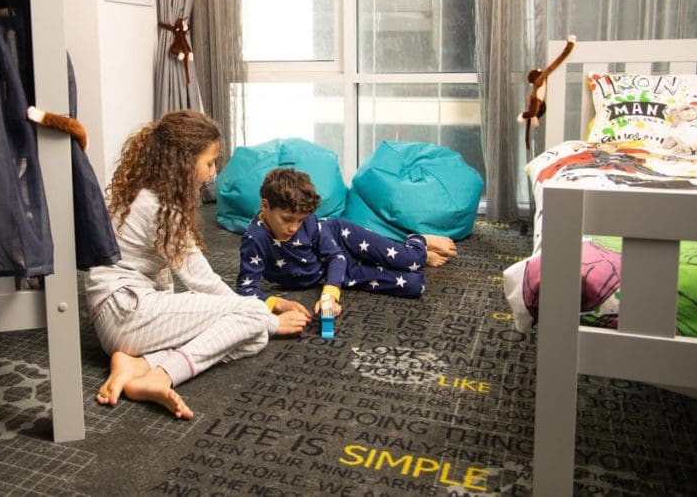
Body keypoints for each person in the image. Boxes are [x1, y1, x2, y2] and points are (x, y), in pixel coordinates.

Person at [87, 111, 310, 419]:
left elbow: (171, 277)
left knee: (253, 336)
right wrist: (266, 319)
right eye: (208, 163)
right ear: (183, 162)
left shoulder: (148, 192)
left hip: (118, 312)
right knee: (254, 321)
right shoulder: (159, 206)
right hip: (126, 313)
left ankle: (137, 363)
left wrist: (256, 322)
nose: (213, 171)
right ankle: (161, 374)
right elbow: (200, 279)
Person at [236, 167, 458, 318]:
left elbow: (335, 256)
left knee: (411, 259)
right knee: (414, 285)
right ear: (265, 207)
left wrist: (330, 295)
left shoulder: (310, 222)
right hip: (339, 272)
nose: (294, 228)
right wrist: (279, 304)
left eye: (300, 220)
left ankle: (418, 241)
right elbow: (246, 288)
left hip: (343, 241)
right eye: (287, 220)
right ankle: (417, 255)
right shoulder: (254, 239)